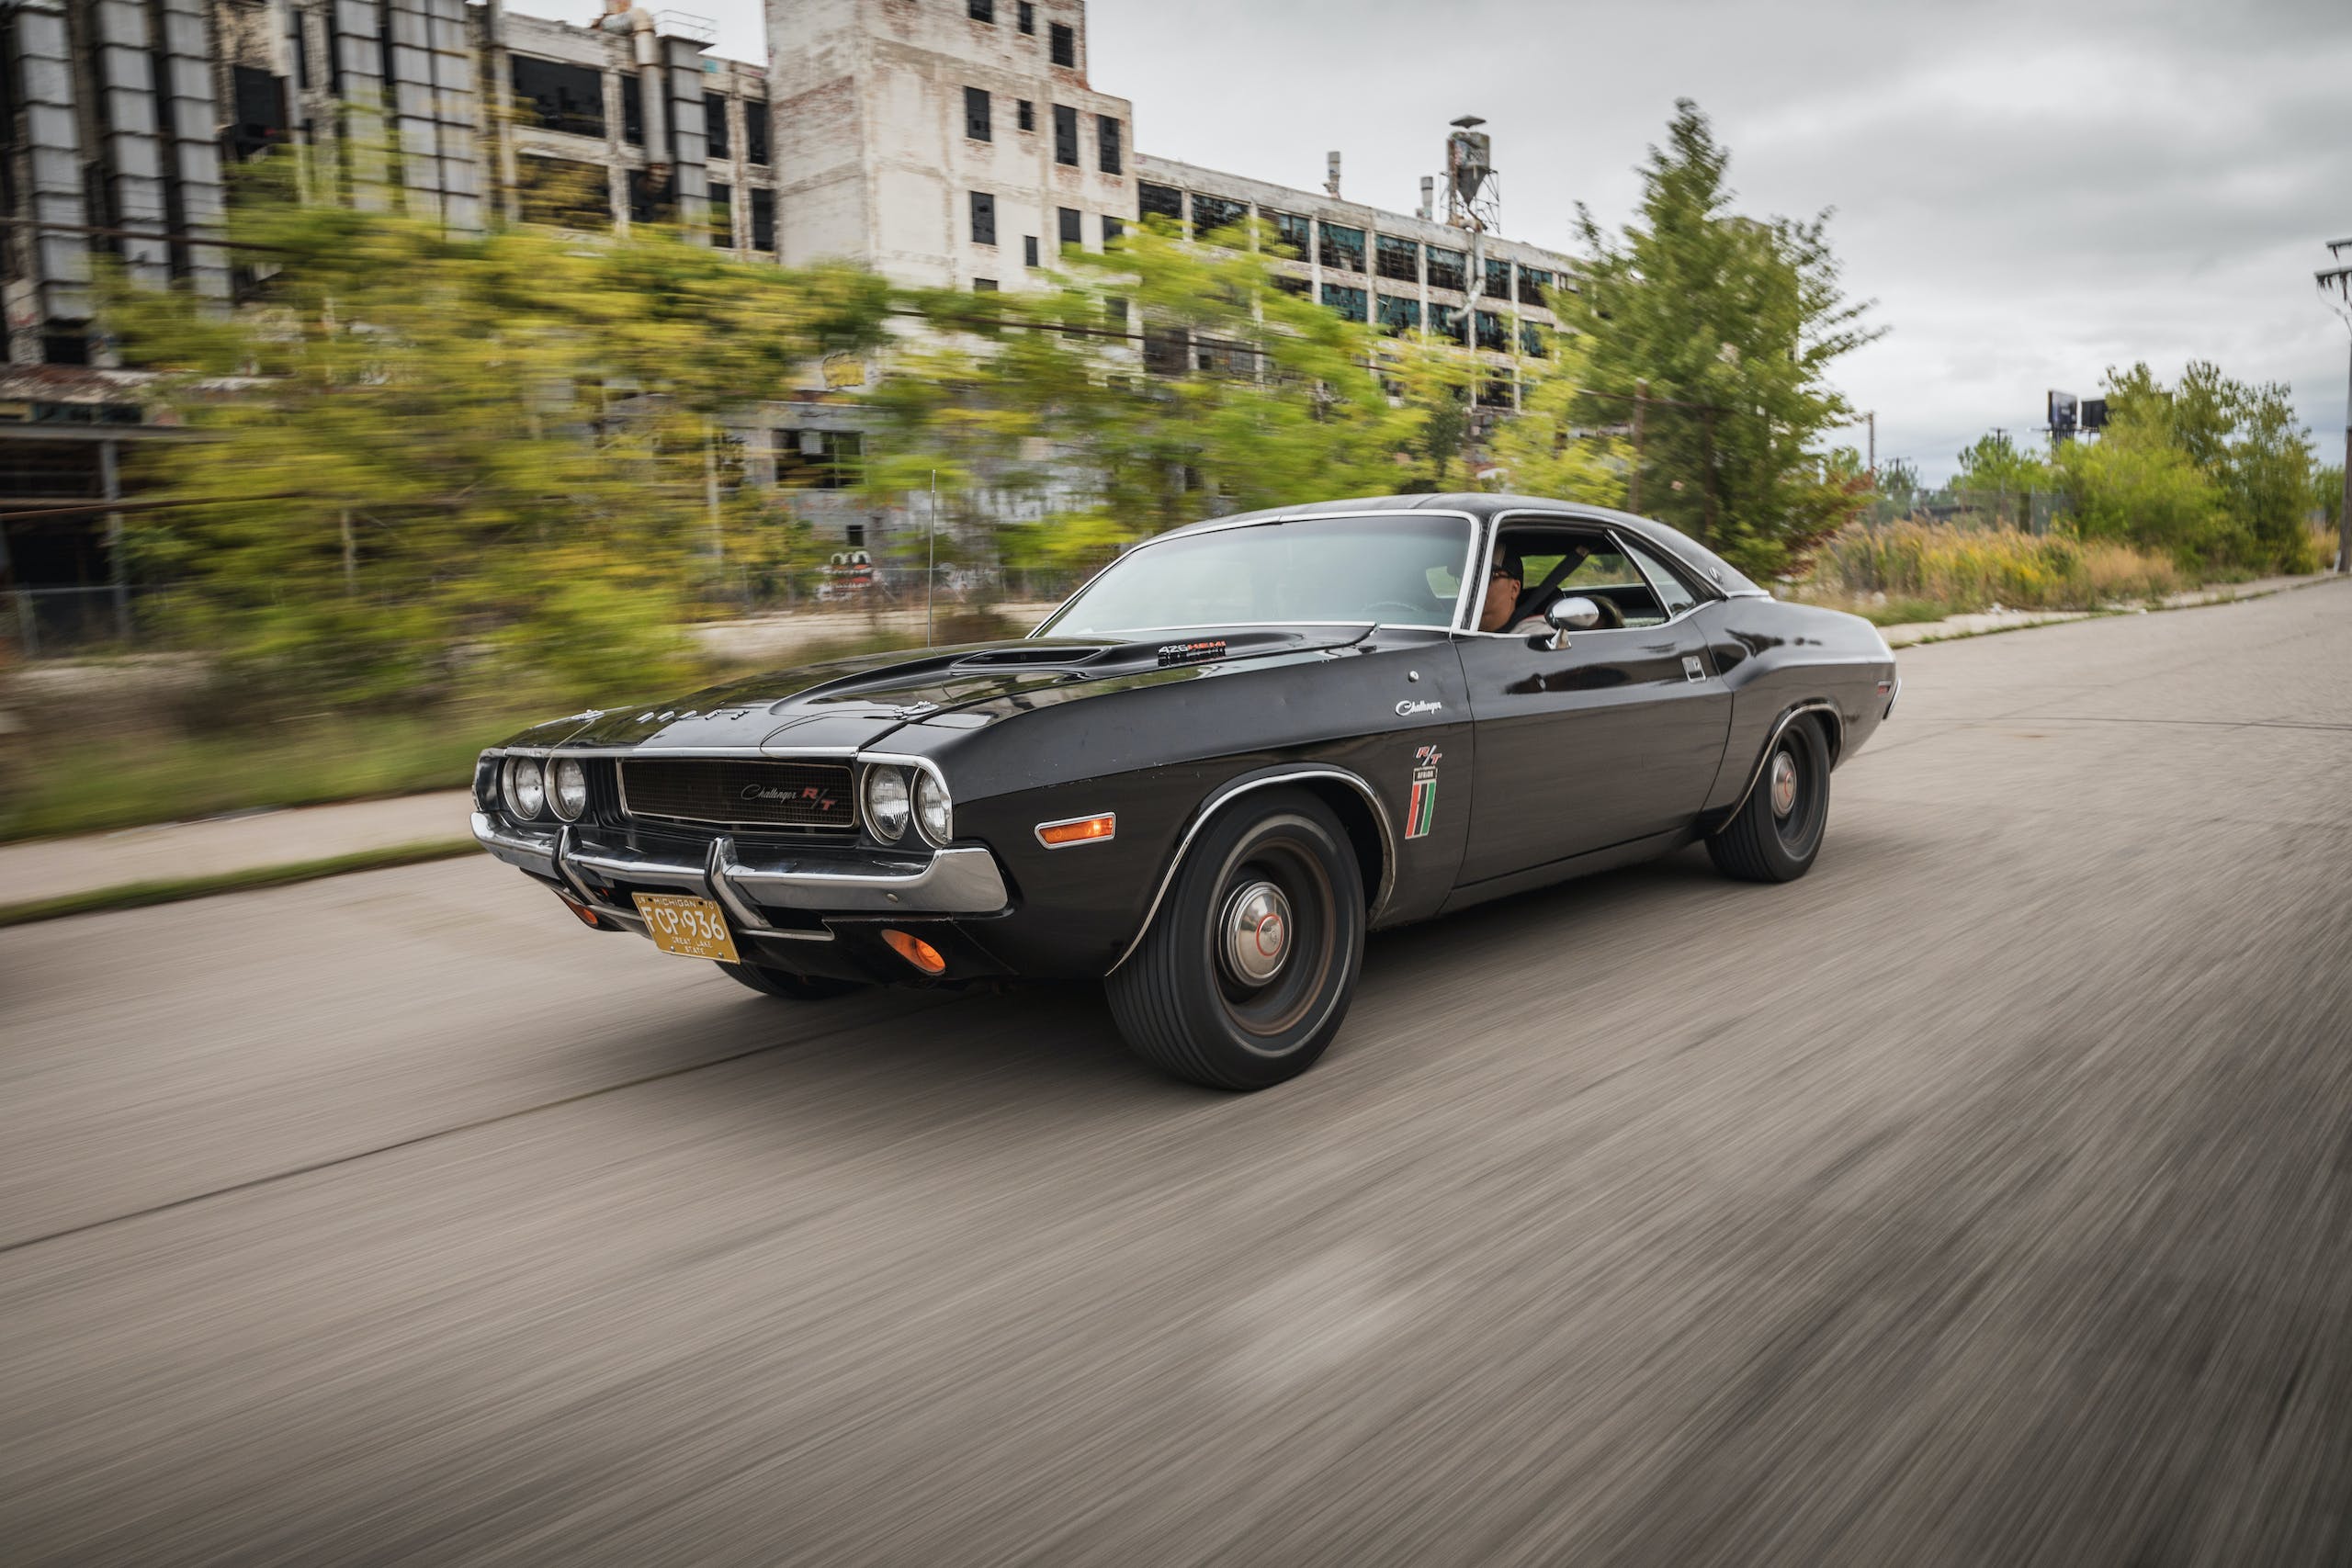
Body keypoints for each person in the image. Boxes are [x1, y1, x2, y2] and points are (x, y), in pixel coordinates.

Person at [1477, 548, 1525, 633]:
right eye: (1475, 577)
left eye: (1488, 576)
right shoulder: (1454, 625)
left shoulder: (1531, 637)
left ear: (1514, 589)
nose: (1476, 585)